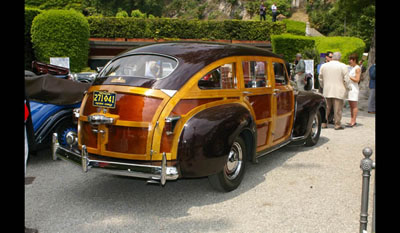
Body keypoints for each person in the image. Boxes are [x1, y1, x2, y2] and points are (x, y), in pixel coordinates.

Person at [318, 52, 349, 130]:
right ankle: (337, 124)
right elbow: (346, 80)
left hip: (327, 89)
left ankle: (324, 123)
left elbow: (320, 78)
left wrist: (323, 86)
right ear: (340, 58)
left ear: (333, 57)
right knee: (338, 109)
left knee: (326, 108)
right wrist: (347, 88)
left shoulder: (324, 66)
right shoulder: (343, 66)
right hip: (339, 89)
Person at [346, 53, 361, 127]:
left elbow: (357, 79)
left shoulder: (357, 68)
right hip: (350, 88)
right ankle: (351, 120)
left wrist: (349, 76)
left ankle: (354, 121)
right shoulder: (352, 67)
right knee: (351, 105)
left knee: (354, 105)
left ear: (354, 60)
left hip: (354, 88)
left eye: (350, 60)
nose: (349, 61)